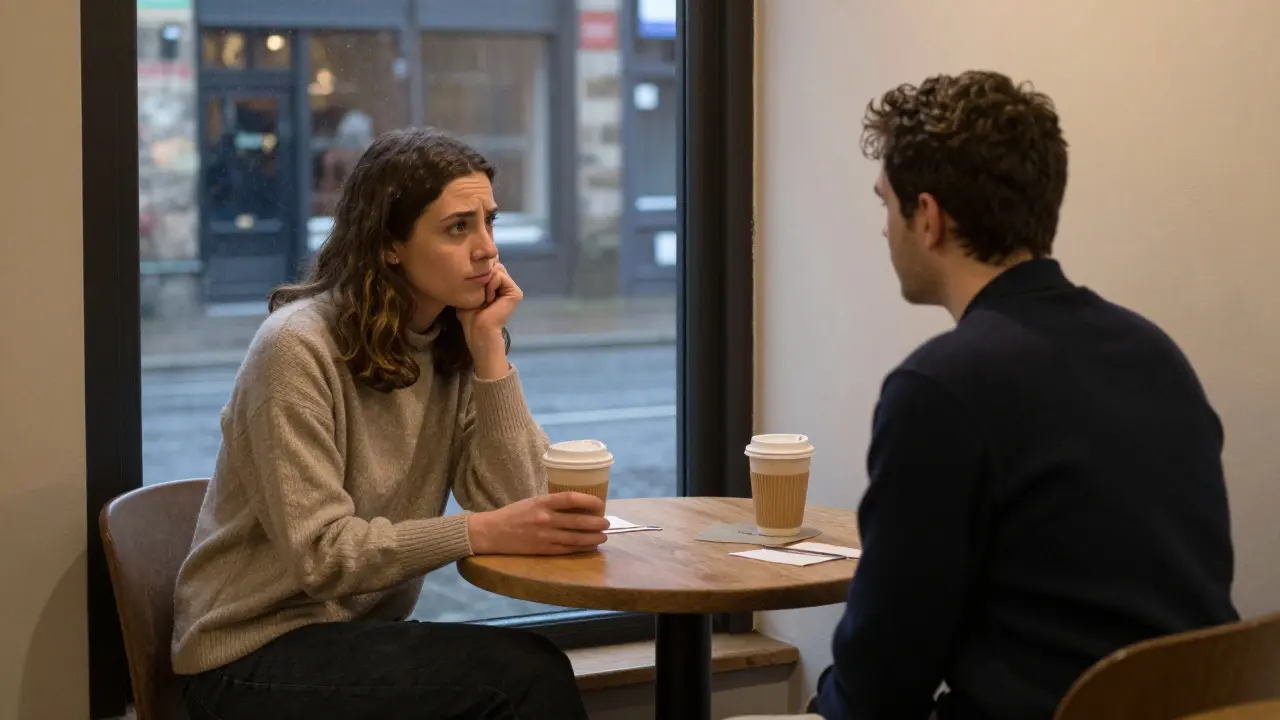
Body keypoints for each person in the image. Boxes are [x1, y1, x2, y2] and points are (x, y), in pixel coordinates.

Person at [811, 71, 1238, 719]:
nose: (883, 231)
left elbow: (882, 678)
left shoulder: (939, 390)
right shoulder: (1156, 354)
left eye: (885, 205)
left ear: (927, 217)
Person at [172, 127, 608, 719]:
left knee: (527, 666)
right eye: (458, 227)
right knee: (522, 676)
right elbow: (325, 557)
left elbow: (522, 501)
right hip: (249, 655)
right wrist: (476, 532)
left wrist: (489, 353)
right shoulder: (295, 347)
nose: (487, 249)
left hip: (351, 638)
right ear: (389, 244)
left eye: (490, 222)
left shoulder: (452, 337)